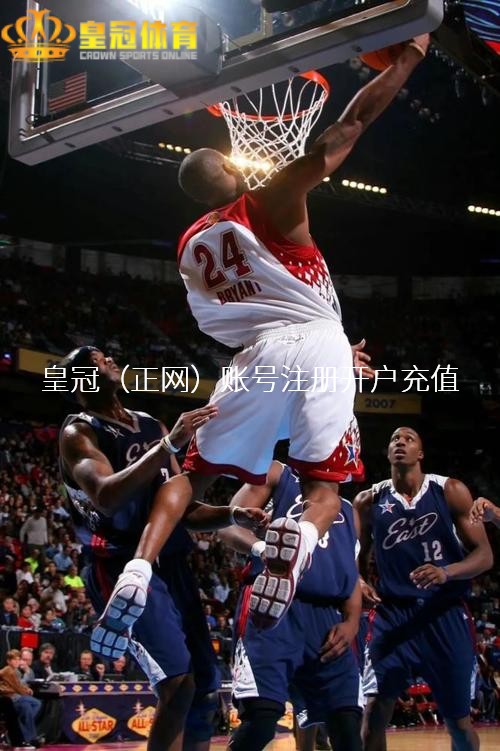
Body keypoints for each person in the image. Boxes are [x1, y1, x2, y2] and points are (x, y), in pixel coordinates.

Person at [96, 35, 432, 642]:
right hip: (317, 342)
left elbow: (253, 309)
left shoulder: (190, 245)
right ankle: (298, 541)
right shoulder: (271, 198)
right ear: (230, 169)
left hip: (255, 358)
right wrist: (410, 56)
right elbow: (351, 124)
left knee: (193, 473)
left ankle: (138, 568)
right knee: (325, 484)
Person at [58, 346, 267, 751]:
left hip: (171, 562)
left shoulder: (150, 425)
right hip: (120, 564)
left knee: (205, 685)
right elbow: (105, 496)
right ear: (80, 382)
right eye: (95, 360)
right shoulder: (78, 433)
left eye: (106, 355)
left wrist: (232, 514)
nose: (108, 360)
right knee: (178, 683)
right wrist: (169, 446)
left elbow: (180, 508)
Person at [354, 426, 494, 751]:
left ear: (421, 453)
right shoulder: (368, 501)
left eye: (409, 439)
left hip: (444, 613)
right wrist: (359, 580)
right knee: (373, 714)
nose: (400, 442)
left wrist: (446, 572)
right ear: (388, 453)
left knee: (458, 723)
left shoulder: (450, 490)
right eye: (394, 439)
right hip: (393, 615)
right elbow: (354, 556)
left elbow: (485, 555)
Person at [218, 461, 364, 751]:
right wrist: (264, 550)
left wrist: (352, 622)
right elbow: (226, 526)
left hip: (328, 619)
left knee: (347, 727)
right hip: (272, 609)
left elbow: (353, 575)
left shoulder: (350, 511)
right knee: (261, 720)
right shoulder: (279, 474)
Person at [0, 650, 42, 747]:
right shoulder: (8, 671)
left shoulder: (15, 671)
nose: (17, 662)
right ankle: (31, 738)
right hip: (11, 697)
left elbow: (19, 684)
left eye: (18, 659)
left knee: (30, 708)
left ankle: (23, 729)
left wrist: (26, 689)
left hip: (16, 695)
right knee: (31, 705)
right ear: (8, 661)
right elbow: (17, 687)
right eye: (14, 660)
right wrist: (26, 692)